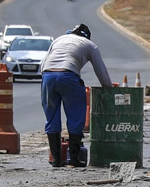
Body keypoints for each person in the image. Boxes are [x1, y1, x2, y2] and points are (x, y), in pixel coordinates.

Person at [39, 22, 113, 168]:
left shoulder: (59, 39)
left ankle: (56, 160)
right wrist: (108, 88)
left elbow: (43, 64)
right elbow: (101, 72)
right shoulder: (90, 45)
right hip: (68, 76)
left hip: (48, 76)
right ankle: (74, 159)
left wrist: (48, 80)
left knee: (51, 117)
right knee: (76, 115)